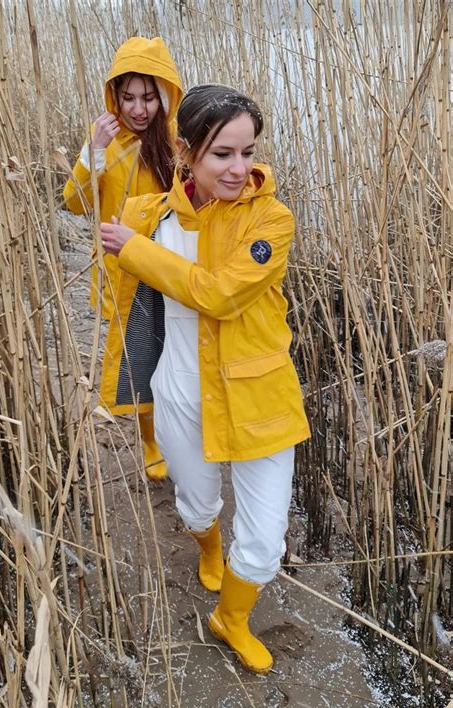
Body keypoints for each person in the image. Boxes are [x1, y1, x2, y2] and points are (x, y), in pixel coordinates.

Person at [99, 85, 311, 674]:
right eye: (223, 154)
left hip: (259, 394)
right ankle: (209, 547)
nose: (241, 169)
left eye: (248, 152)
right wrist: (97, 157)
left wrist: (138, 253)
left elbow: (217, 294)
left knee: (266, 538)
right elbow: (90, 208)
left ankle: (231, 618)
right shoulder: (151, 215)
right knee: (196, 503)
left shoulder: (271, 219)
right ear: (187, 151)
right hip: (180, 389)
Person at [63, 37, 183, 481]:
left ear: (164, 95)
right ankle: (150, 440)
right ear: (115, 95)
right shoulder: (105, 144)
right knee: (142, 356)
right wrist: (92, 149)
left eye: (148, 98)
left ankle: (181, 433)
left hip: (169, 265)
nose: (138, 108)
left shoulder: (175, 141)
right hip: (123, 269)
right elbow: (74, 202)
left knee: (180, 350)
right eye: (128, 97)